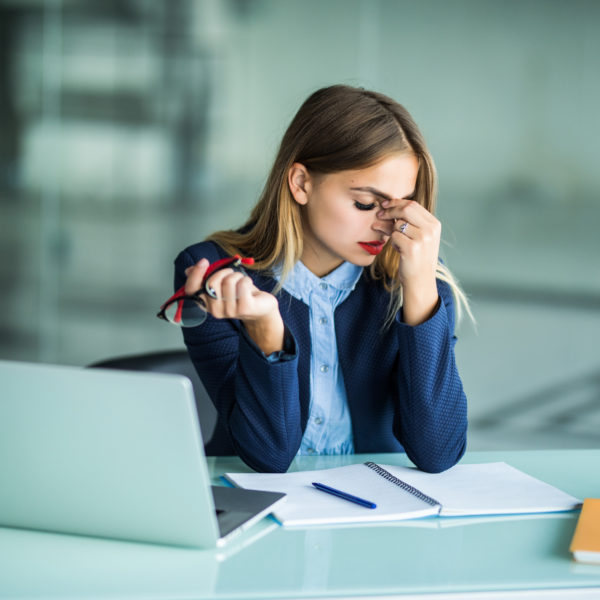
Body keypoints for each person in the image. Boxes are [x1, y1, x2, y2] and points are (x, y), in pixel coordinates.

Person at [172, 84, 470, 473]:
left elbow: (440, 452)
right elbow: (269, 455)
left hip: (373, 510)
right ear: (300, 183)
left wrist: (420, 294)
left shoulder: (416, 272)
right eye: (365, 203)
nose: (387, 225)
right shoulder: (215, 273)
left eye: (399, 206)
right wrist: (267, 335)